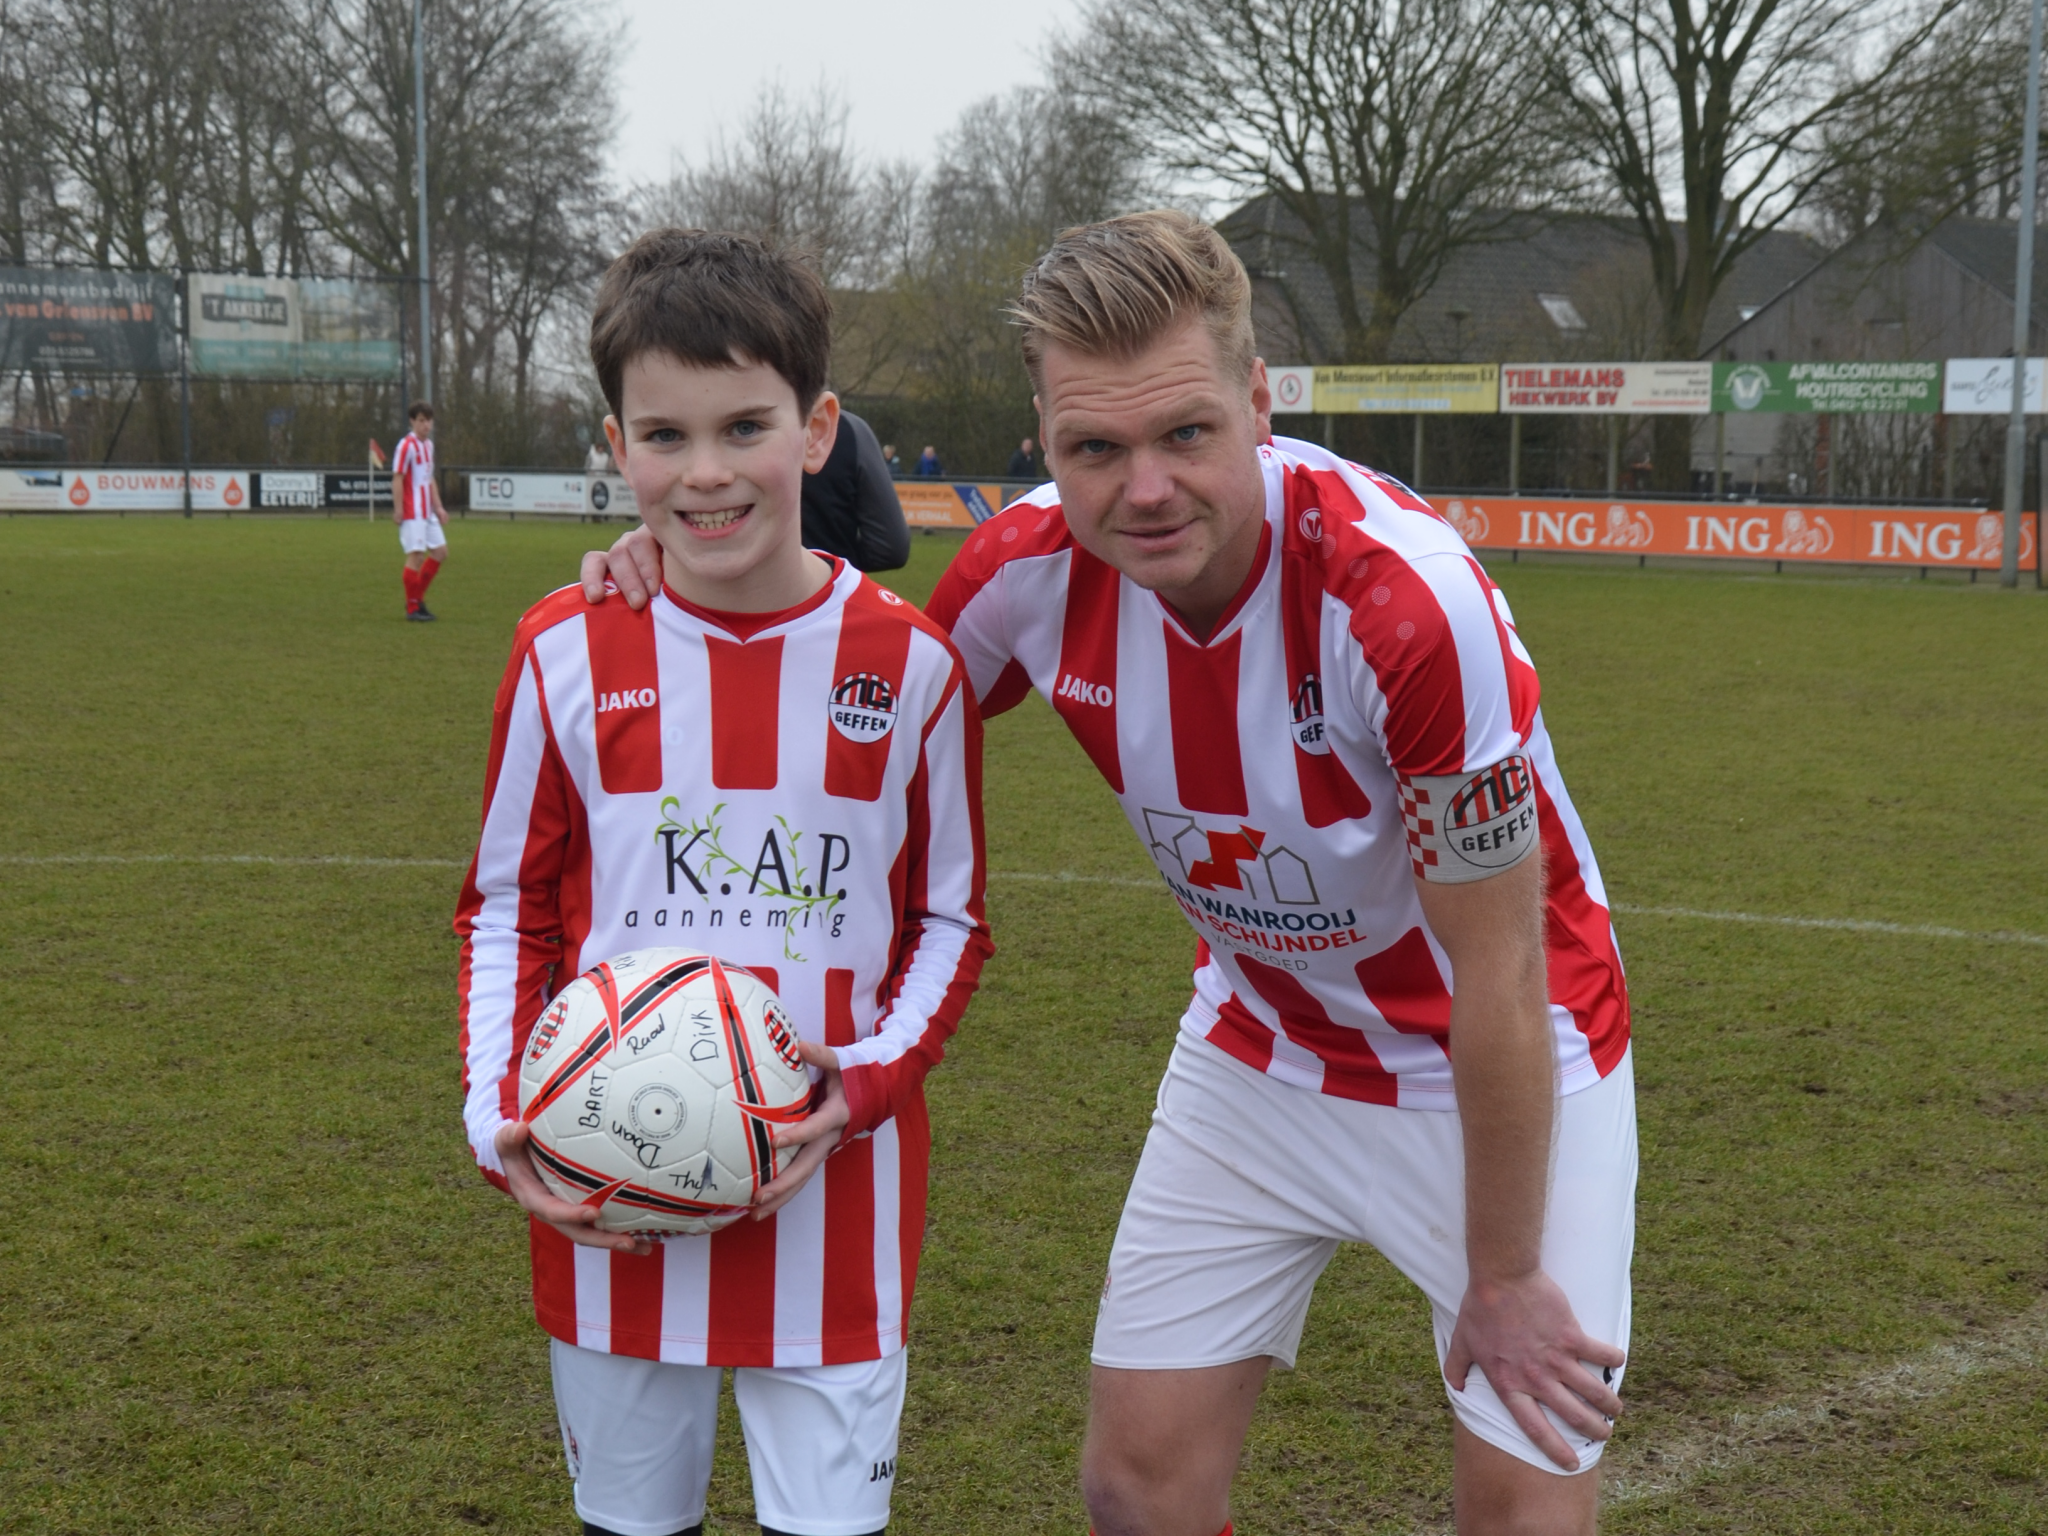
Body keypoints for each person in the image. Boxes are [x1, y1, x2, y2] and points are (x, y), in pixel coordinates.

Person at [582, 211, 1634, 1536]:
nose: (1143, 489)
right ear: (1045, 441)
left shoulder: (1408, 605)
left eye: (1185, 433)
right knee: (1135, 1488)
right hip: (1262, 1048)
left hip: (1504, 1056)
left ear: (1258, 404)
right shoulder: (1024, 572)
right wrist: (674, 582)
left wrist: (1510, 1268)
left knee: (1525, 1511)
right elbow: (833, 694)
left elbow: (1503, 965)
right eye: (1095, 448)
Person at [459, 228, 991, 1536]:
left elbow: (950, 919)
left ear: (818, 432)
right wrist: (496, 1118)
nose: (704, 475)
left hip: (837, 1203)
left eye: (744, 426)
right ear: (616, 442)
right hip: (607, 1197)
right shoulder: (561, 649)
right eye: (664, 436)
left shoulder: (912, 666)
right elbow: (508, 911)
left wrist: (861, 1088)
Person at [799, 407, 910, 571]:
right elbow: (891, 548)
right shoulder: (849, 429)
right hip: (830, 587)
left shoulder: (753, 426)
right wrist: (838, 563)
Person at [391, 401, 447, 621]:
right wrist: (398, 509)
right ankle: (413, 608)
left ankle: (416, 599)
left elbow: (429, 477)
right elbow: (397, 478)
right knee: (415, 556)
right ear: (412, 421)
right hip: (412, 511)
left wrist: (439, 506)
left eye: (429, 420)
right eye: (421, 420)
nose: (426, 425)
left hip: (427, 512)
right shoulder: (405, 446)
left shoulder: (428, 445)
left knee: (440, 552)